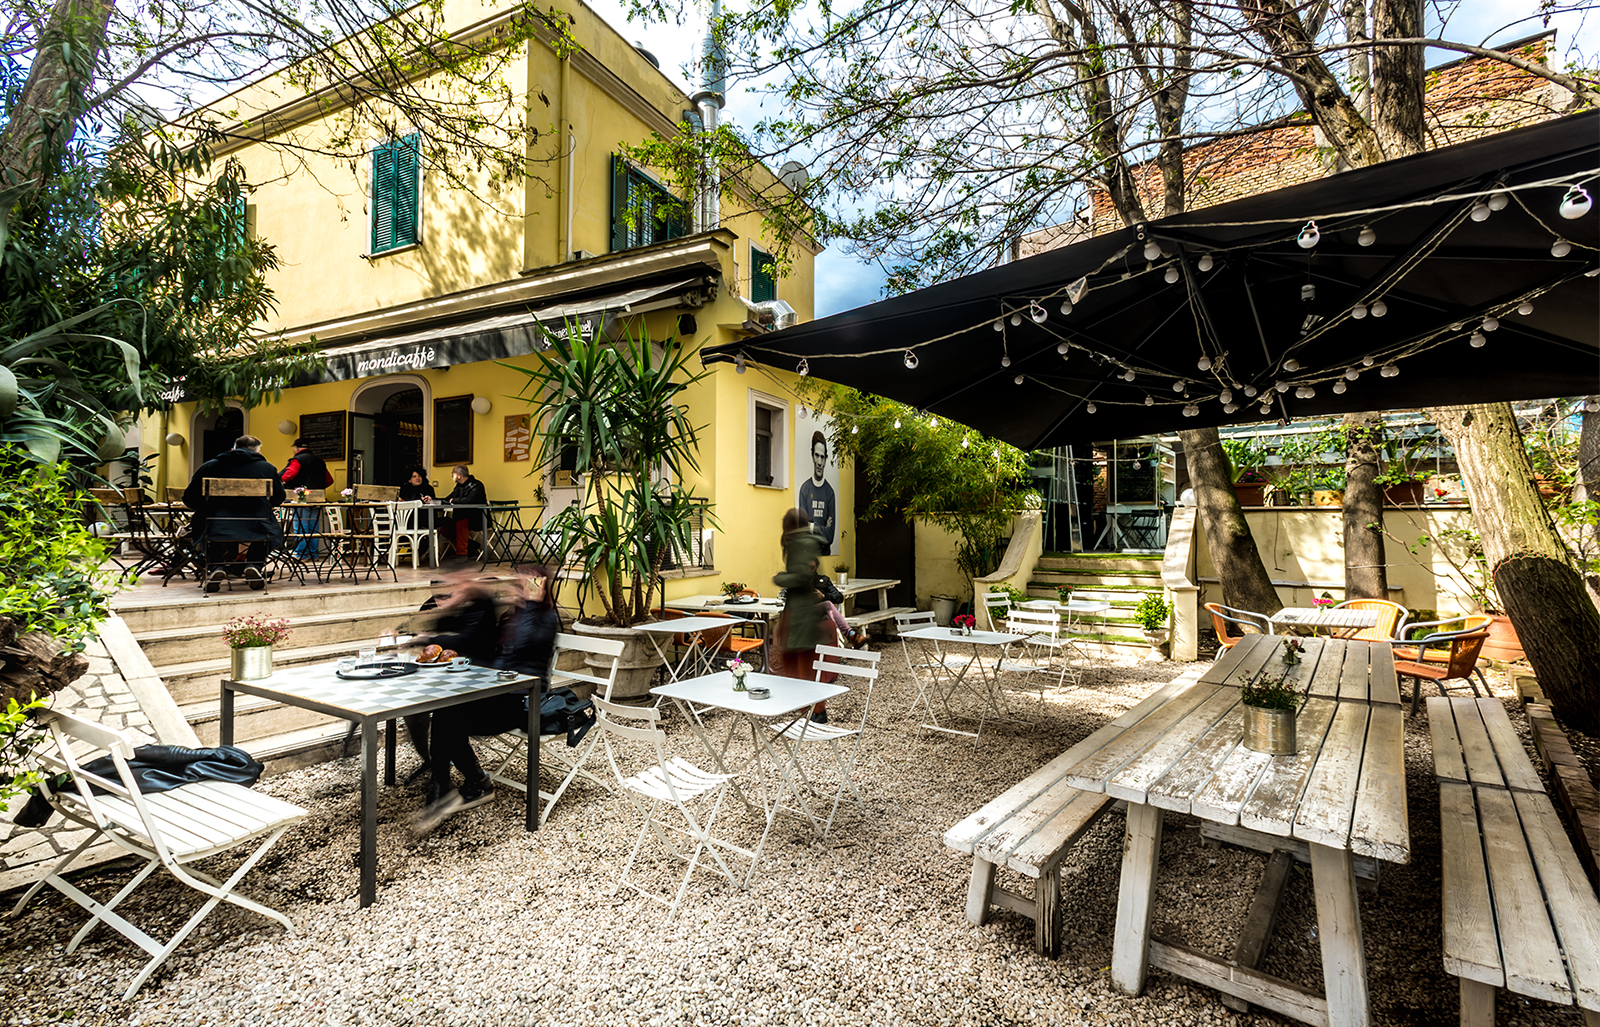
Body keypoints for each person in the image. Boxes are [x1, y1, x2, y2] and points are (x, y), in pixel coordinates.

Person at [412, 566, 560, 838]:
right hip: (501, 695)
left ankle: (463, 783)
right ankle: (452, 785)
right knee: (446, 710)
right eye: (522, 583)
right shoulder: (515, 615)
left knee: (448, 716)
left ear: (542, 589)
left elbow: (525, 645)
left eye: (531, 584)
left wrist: (529, 605)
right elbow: (499, 658)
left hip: (525, 703)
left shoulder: (546, 618)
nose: (522, 588)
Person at [183, 435, 286, 592]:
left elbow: (189, 498)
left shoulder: (210, 466)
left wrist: (206, 507)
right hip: (257, 523)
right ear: (258, 452)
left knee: (205, 529)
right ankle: (254, 564)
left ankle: (216, 566)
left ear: (233, 448)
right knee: (270, 532)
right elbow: (279, 498)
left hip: (216, 523)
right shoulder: (267, 468)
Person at [773, 507, 828, 720]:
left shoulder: (798, 544)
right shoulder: (807, 541)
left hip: (799, 613)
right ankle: (811, 708)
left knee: (799, 662)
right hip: (800, 610)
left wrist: (781, 578)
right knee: (801, 662)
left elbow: (802, 576)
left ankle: (813, 710)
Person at [279, 438, 331, 560]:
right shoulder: (320, 461)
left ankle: (301, 554)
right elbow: (329, 480)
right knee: (313, 527)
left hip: (302, 499)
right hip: (317, 499)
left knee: (301, 527)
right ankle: (314, 554)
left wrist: (281, 481)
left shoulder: (297, 459)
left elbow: (290, 474)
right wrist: (317, 490)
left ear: (296, 448)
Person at [797, 431, 837, 555]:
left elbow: (830, 537)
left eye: (822, 457)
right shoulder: (804, 489)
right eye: (817, 455)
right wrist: (823, 528)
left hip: (825, 555)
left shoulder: (830, 493)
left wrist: (812, 527)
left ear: (825, 459)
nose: (819, 462)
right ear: (812, 456)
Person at [437, 464, 487, 559]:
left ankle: (462, 554)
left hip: (476, 519)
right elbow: (447, 499)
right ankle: (471, 545)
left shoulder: (477, 485)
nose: (451, 476)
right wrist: (432, 500)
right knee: (445, 529)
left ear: (459, 475)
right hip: (459, 517)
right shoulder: (458, 487)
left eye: (453, 474)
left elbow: (469, 500)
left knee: (461, 523)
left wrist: (454, 500)